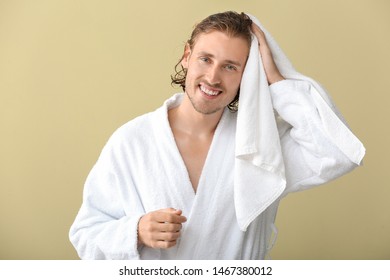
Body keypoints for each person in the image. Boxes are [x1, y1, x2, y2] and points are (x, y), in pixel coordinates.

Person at [69, 11, 364, 259]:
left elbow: (336, 151)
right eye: (205, 59)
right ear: (187, 56)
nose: (213, 77)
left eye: (230, 66)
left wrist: (277, 81)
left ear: (247, 74)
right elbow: (85, 234)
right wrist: (135, 231)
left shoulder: (262, 144)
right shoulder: (131, 142)